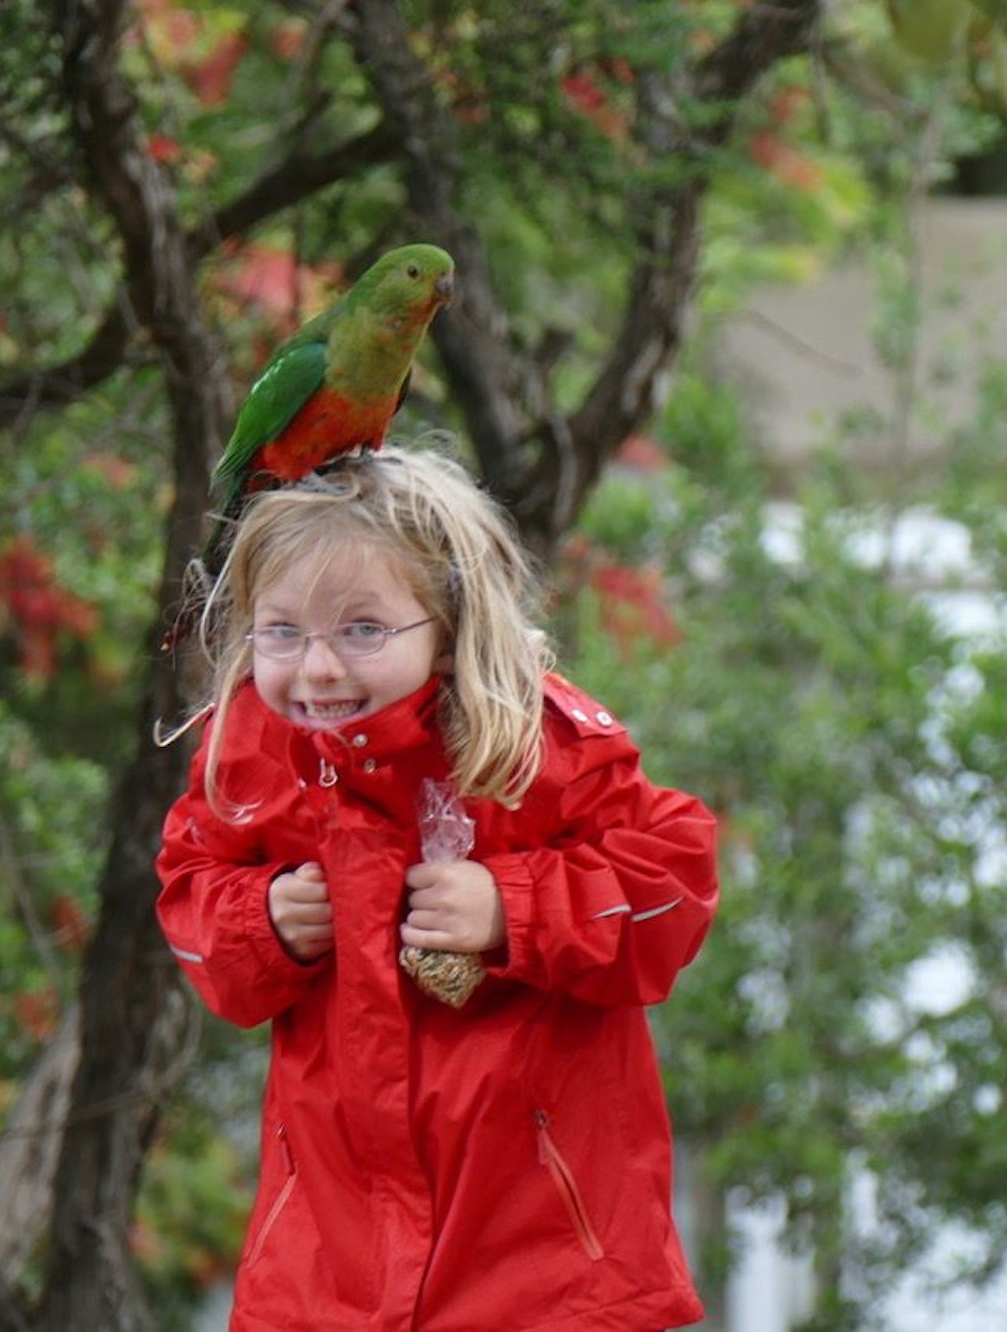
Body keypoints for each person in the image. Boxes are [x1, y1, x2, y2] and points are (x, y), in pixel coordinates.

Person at [155, 443, 718, 1332]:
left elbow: (674, 881)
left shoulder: (532, 744)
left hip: (542, 1266)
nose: (318, 668)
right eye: (282, 632)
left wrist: (513, 908)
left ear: (448, 627)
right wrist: (262, 920)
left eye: (362, 630)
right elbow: (191, 899)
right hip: (326, 1266)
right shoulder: (252, 753)